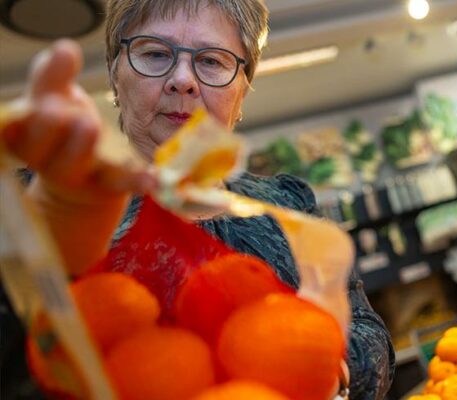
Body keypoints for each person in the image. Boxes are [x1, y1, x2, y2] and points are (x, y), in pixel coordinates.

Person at [0, 1, 394, 399]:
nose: (183, 79)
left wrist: (326, 369)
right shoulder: (42, 199)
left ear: (242, 89)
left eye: (211, 61)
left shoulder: (287, 206)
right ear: (114, 73)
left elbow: (367, 332)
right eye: (155, 53)